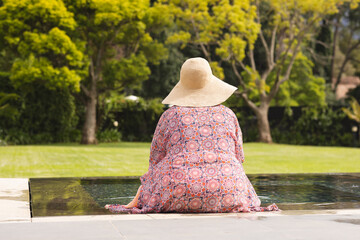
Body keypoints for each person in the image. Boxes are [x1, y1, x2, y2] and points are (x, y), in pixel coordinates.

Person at [105, 57, 278, 213]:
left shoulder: (170, 116)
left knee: (153, 180)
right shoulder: (228, 115)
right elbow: (238, 157)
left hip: (176, 190)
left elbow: (155, 160)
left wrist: (143, 194)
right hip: (231, 189)